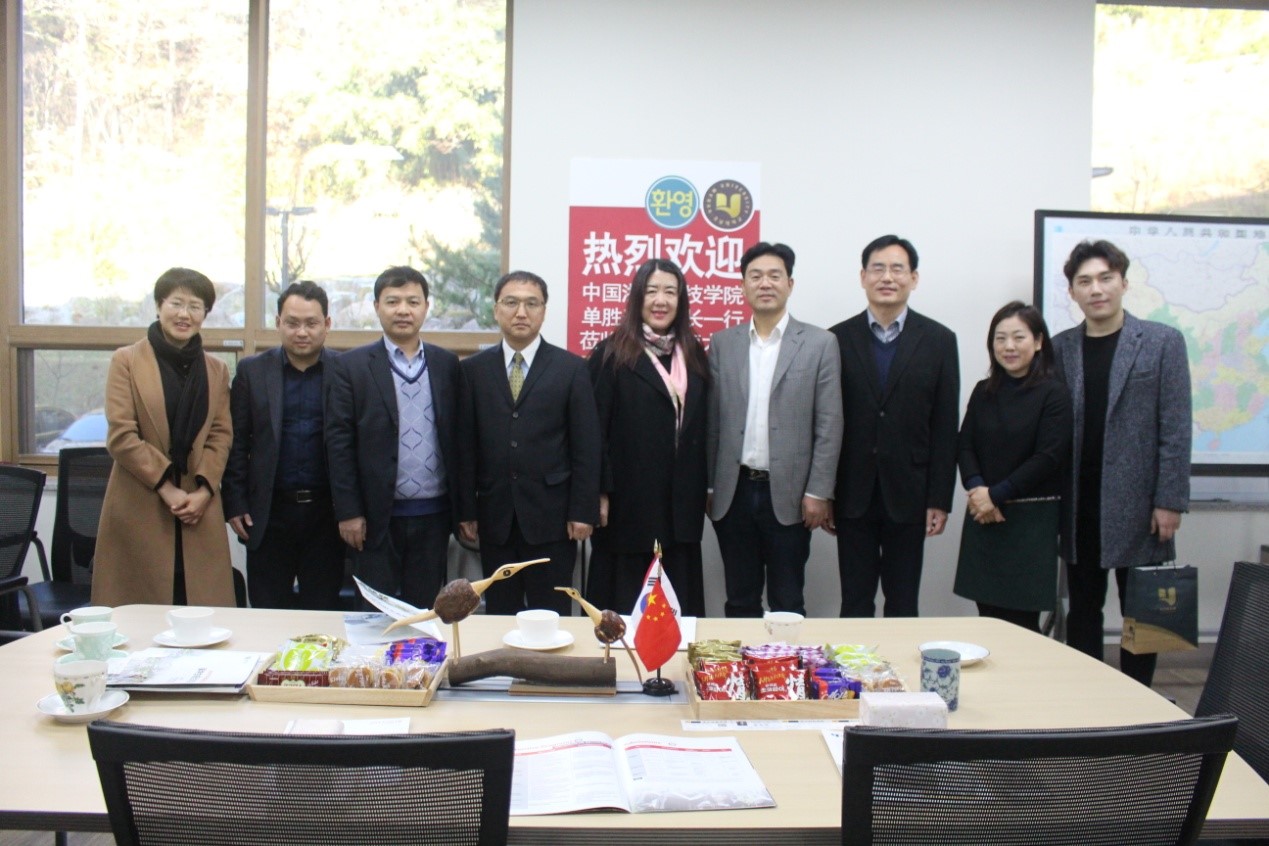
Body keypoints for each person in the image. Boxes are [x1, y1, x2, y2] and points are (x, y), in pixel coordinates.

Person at [1052, 239, 1191, 687]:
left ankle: (1139, 699)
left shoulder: (1162, 342)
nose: (1096, 289)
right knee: (1084, 608)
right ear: (1072, 291)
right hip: (1080, 503)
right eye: (1085, 281)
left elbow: (1176, 426)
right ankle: (1092, 695)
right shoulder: (1060, 348)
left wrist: (1169, 500)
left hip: (1142, 504)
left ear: (1124, 283)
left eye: (1105, 278)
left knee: (1143, 612)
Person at [707, 242, 842, 617]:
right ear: (743, 286)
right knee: (739, 598)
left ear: (790, 284)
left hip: (791, 494)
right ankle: (740, 658)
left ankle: (784, 658)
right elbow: (713, 422)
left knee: (787, 599)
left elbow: (829, 423)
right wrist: (711, 486)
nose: (765, 283)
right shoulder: (723, 343)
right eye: (755, 276)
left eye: (774, 275)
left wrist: (819, 491)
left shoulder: (820, 343)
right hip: (733, 491)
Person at [828, 234, 959, 618]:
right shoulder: (836, 338)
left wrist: (939, 498)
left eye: (897, 269)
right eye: (878, 268)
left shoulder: (939, 340)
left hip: (911, 492)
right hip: (852, 492)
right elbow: (827, 421)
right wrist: (826, 492)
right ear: (863, 277)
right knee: (854, 601)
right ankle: (852, 660)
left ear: (913, 278)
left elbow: (945, 424)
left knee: (903, 603)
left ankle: (899, 662)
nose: (887, 277)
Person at [458, 270, 601, 615]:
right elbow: (464, 447)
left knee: (551, 613)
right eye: (511, 302)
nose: (521, 312)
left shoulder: (571, 368)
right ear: (496, 310)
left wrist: (583, 510)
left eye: (531, 303)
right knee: (500, 612)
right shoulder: (473, 370)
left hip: (553, 518)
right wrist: (465, 511)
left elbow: (586, 446)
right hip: (495, 516)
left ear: (544, 311)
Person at [92, 268, 236, 607]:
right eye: (176, 303)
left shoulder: (216, 370)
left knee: (201, 613)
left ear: (205, 314)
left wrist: (204, 491)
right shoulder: (126, 361)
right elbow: (121, 435)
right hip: (141, 502)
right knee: (139, 615)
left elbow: (220, 435)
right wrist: (167, 488)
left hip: (198, 508)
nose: (185, 314)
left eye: (195, 306)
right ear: (159, 306)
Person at [325, 266, 466, 609]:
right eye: (392, 301)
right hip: (374, 519)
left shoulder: (447, 364)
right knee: (375, 614)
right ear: (377, 306)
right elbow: (339, 443)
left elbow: (461, 441)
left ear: (426, 307)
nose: (403, 310)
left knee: (426, 612)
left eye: (413, 302)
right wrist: (349, 512)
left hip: (434, 516)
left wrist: (465, 510)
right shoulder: (351, 366)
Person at [587, 258, 710, 616]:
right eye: (652, 291)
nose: (661, 300)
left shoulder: (694, 354)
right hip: (628, 508)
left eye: (670, 292)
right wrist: (599, 492)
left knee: (677, 609)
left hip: (681, 508)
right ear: (637, 297)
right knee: (624, 607)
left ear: (681, 300)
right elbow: (594, 432)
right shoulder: (611, 353)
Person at [223, 281, 343, 610]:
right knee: (267, 609)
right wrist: (234, 501)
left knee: (323, 611)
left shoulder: (345, 370)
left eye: (311, 323)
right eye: (292, 323)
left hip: (327, 514)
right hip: (269, 512)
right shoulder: (252, 371)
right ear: (278, 323)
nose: (301, 332)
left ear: (327, 324)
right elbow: (236, 440)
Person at [953, 301, 1072, 632]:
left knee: (1022, 624)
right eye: (1000, 338)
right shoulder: (983, 391)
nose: (1008, 346)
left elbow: (1048, 457)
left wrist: (996, 496)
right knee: (987, 617)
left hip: (1029, 520)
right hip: (984, 515)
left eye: (1018, 337)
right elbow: (965, 444)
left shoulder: (1054, 393)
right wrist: (977, 489)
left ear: (1038, 341)